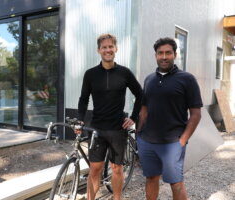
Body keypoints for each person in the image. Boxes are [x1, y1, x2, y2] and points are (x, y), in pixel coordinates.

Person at [77, 33, 142, 200]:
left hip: (117, 129)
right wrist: (80, 120)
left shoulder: (124, 73)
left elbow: (140, 95)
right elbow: (84, 99)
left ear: (116, 49)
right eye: (104, 47)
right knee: (95, 169)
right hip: (97, 128)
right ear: (99, 50)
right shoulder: (90, 74)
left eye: (110, 47)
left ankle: (117, 198)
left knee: (117, 169)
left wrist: (133, 117)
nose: (108, 50)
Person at [136, 37, 203, 200]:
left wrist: (183, 140)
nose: (164, 56)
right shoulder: (149, 79)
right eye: (160, 53)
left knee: (176, 183)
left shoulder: (187, 79)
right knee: (151, 178)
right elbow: (144, 108)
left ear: (175, 54)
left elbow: (196, 114)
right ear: (155, 55)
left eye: (168, 53)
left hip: (173, 142)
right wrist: (138, 134)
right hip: (147, 141)